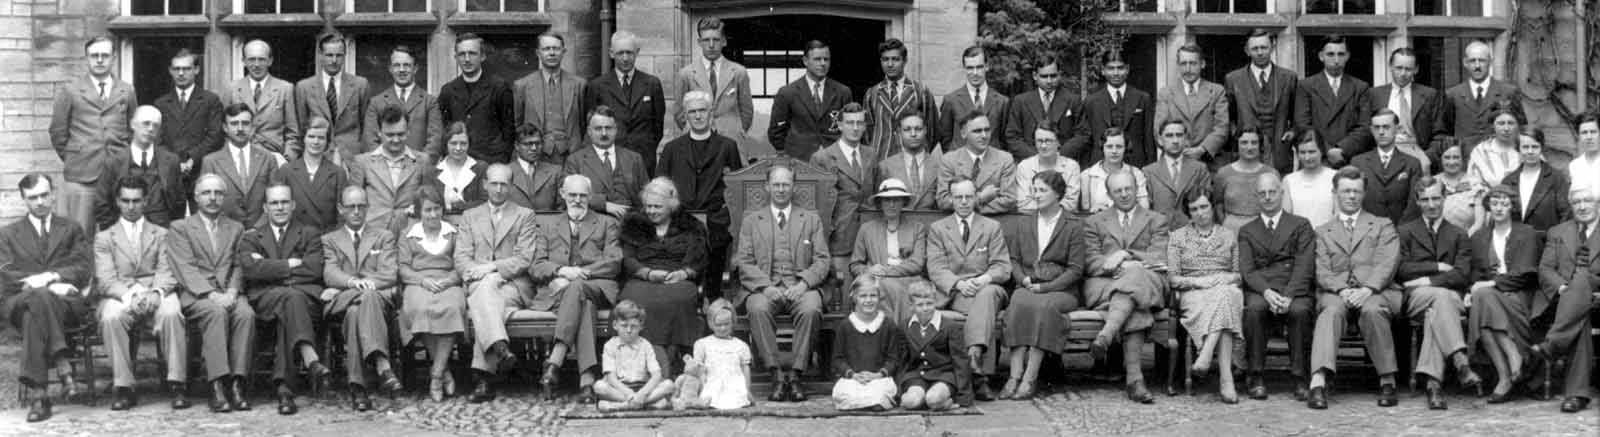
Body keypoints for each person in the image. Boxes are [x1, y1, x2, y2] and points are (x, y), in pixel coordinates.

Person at [732, 165, 830, 402]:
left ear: (793, 187)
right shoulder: (752, 220)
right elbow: (743, 261)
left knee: (811, 308)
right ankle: (776, 374)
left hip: (800, 287)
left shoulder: (810, 219)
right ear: (767, 187)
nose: (781, 189)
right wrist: (766, 286)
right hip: (765, 287)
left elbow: (822, 259)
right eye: (776, 184)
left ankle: (796, 375)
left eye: (785, 184)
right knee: (757, 308)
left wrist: (804, 284)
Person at [1306, 167, 1401, 410]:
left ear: (1364, 193)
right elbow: (1321, 269)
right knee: (1330, 312)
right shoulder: (1322, 231)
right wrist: (1342, 290)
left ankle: (1387, 379)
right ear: (1335, 193)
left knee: (1372, 311)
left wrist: (1367, 289)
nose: (1351, 196)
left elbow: (1386, 262)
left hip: (1375, 292)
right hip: (1337, 293)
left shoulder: (1382, 225)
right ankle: (1318, 380)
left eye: (1356, 191)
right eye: (1346, 191)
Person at [0, 173, 92, 422]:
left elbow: (83, 268)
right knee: (36, 300)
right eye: (32, 198)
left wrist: (53, 278)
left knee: (35, 314)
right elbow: (6, 273)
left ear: (53, 194)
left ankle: (39, 396)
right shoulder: (8, 234)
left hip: (65, 302)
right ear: (23, 199)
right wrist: (40, 285)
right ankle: (63, 366)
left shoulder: (71, 228)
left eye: (43, 195)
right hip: (20, 300)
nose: (39, 202)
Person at [166, 173, 257, 413]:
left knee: (246, 314)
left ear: (224, 197)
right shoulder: (181, 228)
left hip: (229, 291)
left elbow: (238, 264)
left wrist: (232, 291)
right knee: (215, 313)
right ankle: (216, 385)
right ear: (196, 197)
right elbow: (185, 268)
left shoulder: (236, 228)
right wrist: (212, 295)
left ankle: (237, 383)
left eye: (218, 193)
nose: (212, 198)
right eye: (206, 193)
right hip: (197, 295)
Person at [95, 177, 187, 411]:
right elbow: (106, 279)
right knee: (110, 317)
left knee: (172, 312)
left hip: (156, 289)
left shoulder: (162, 234)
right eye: (125, 200)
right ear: (117, 202)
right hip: (121, 294)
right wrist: (130, 297)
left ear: (145, 201)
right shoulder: (105, 237)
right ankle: (124, 386)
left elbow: (167, 269)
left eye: (136, 200)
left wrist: (157, 292)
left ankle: (177, 383)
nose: (131, 206)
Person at [238, 184, 327, 415]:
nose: (280, 207)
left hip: (302, 300)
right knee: (291, 297)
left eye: (284, 202)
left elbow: (314, 269)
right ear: (266, 208)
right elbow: (250, 270)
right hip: (265, 300)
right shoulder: (251, 237)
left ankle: (284, 389)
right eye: (274, 203)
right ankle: (308, 356)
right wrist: (290, 264)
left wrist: (269, 268)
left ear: (293, 205)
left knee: (290, 302)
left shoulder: (310, 233)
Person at [530, 174, 622, 399]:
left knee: (579, 288)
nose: (577, 200)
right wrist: (562, 271)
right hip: (558, 291)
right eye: (572, 195)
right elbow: (536, 266)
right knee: (585, 305)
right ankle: (587, 380)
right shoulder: (548, 225)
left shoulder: (607, 223)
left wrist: (579, 275)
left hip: (597, 285)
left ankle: (555, 361)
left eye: (583, 195)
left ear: (591, 197)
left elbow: (614, 262)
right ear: (562, 194)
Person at [1083, 170, 1170, 404]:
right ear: (1109, 194)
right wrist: (1115, 267)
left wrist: (1126, 256)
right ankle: (1135, 380)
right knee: (1136, 301)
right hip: (1105, 283)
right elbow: (1091, 261)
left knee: (1136, 278)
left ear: (1136, 188)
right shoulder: (1094, 222)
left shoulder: (1156, 220)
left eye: (1128, 189)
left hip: (1148, 281)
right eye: (1118, 190)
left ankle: (1107, 334)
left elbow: (1160, 257)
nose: (1124, 194)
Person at [1395, 182, 1482, 410]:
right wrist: (1438, 266)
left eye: (1436, 198)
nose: (1431, 205)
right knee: (1440, 299)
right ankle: (1460, 360)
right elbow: (1401, 269)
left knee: (1437, 308)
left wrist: (1426, 280)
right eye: (1425, 199)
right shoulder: (1405, 231)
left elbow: (1462, 275)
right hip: (1416, 298)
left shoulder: (1459, 234)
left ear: (1445, 199)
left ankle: (1434, 385)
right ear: (1417, 202)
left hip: (1446, 296)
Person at [457, 164, 538, 403]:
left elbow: (524, 258)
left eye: (504, 184)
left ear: (511, 186)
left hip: (512, 286)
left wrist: (491, 269)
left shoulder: (525, 215)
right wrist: (479, 275)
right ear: (484, 184)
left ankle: (483, 379)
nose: (499, 189)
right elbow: (461, 257)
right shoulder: (470, 216)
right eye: (494, 183)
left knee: (485, 301)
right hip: (478, 283)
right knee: (486, 294)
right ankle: (500, 351)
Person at [926, 178, 1011, 401]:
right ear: (951, 199)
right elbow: (936, 267)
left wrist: (984, 279)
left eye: (968, 196)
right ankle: (979, 375)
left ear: (976, 198)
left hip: (989, 287)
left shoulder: (991, 227)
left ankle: (973, 360)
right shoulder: (938, 229)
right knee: (983, 309)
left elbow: (1003, 266)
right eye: (958, 197)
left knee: (988, 295)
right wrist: (959, 284)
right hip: (957, 292)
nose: (964, 202)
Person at [1001, 171, 1083, 400]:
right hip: (1028, 286)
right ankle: (1014, 376)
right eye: (1034, 190)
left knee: (1043, 307)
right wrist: (1022, 279)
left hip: (1061, 290)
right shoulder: (1024, 222)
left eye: (1042, 190)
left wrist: (1046, 288)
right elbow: (1014, 260)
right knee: (1017, 304)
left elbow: (1076, 270)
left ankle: (1030, 377)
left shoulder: (1073, 225)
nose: (1036, 195)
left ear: (1058, 194)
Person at [320, 186, 401, 411]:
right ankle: (382, 365)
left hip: (373, 301)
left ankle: (358, 387)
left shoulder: (383, 236)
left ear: (367, 208)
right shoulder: (330, 239)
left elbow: (389, 274)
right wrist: (355, 283)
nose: (356, 211)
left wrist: (348, 286)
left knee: (360, 309)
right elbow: (330, 273)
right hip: (344, 303)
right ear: (340, 209)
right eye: (350, 207)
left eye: (361, 206)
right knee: (361, 302)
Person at [1237, 173, 1317, 400]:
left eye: (1272, 192)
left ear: (1281, 193)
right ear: (1256, 197)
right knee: (1254, 310)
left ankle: (1301, 377)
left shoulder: (1300, 225)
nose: (1268, 197)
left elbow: (1304, 263)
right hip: (1263, 289)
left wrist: (1290, 294)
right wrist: (1267, 292)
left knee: (1300, 311)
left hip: (1294, 288)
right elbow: (1248, 269)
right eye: (1262, 193)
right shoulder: (1247, 230)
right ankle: (1256, 376)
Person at [657, 90, 744, 298]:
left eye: (702, 111)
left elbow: (736, 190)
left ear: (711, 113)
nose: (697, 116)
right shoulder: (671, 149)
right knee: (682, 286)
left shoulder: (727, 146)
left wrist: (722, 216)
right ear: (685, 116)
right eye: (692, 112)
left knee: (714, 287)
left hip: (717, 225)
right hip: (680, 225)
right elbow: (659, 190)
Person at [620, 177, 707, 376]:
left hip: (678, 279)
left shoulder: (690, 225)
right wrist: (648, 273)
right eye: (648, 206)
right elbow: (628, 259)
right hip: (643, 278)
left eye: (657, 207)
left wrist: (683, 273)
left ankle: (670, 358)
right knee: (635, 301)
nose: (651, 211)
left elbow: (700, 258)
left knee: (680, 298)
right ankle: (642, 362)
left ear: (671, 205)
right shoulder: (634, 223)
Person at [49, 36, 135, 231]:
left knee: (115, 232)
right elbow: (58, 131)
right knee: (80, 232)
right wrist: (75, 156)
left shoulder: (126, 90)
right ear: (86, 58)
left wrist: (122, 158)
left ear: (113, 57)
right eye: (94, 55)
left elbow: (132, 129)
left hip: (117, 172)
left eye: (104, 55)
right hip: (82, 173)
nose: (99, 60)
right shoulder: (71, 90)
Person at [1167, 188, 1244, 404]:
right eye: (1194, 209)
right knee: (1226, 299)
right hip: (1194, 292)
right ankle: (1226, 378)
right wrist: (1199, 282)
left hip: (1224, 287)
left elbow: (1238, 274)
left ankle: (1206, 354)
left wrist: (1223, 279)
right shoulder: (1178, 237)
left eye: (1204, 207)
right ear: (1188, 213)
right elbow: (1173, 278)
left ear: (1212, 208)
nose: (1200, 213)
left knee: (1226, 293)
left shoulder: (1228, 235)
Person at [1466, 185, 1541, 403]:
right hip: (1489, 298)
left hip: (1520, 296)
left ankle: (1505, 376)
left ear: (1512, 207)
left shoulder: (1526, 233)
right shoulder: (1479, 237)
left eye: (1504, 203)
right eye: (1495, 203)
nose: (1499, 208)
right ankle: (1510, 364)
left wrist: (1488, 284)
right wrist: (1473, 288)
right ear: (1488, 206)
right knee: (1482, 299)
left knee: (1483, 301)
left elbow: (1527, 273)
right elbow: (1474, 274)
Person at [397, 186, 466, 402]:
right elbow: (403, 268)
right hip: (419, 282)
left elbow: (462, 263)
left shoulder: (454, 233)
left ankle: (435, 374)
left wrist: (450, 280)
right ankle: (443, 372)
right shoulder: (408, 235)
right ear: (419, 212)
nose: (433, 214)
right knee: (420, 308)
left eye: (437, 209)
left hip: (448, 281)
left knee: (451, 307)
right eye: (427, 210)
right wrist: (422, 281)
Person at [1532, 187, 1598, 413]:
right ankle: (1576, 395)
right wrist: (1563, 289)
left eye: (1587, 200)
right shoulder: (1557, 231)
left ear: (1597, 204)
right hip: (1566, 301)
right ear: (1571, 206)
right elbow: (1545, 269)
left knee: (1582, 279)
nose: (1582, 206)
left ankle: (1552, 344)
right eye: (1577, 202)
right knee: (1580, 318)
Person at [813, 103, 879, 289]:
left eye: (860, 123)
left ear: (865, 126)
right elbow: (818, 205)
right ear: (840, 125)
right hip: (839, 238)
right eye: (850, 123)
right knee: (843, 293)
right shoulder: (823, 157)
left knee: (869, 292)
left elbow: (874, 194)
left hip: (869, 236)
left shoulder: (871, 155)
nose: (855, 128)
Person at [582, 31, 666, 175]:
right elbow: (588, 125)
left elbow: (657, 126)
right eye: (620, 53)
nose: (625, 58)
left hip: (643, 160)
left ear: (637, 52)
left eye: (629, 52)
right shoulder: (597, 86)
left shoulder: (652, 84)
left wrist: (645, 146)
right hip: (610, 159)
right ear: (611, 53)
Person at [674, 19, 757, 159]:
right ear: (699, 42)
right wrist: (692, 128)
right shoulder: (686, 74)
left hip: (731, 140)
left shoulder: (738, 72)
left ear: (724, 41)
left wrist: (736, 129)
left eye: (716, 40)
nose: (711, 45)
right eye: (706, 40)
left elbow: (747, 111)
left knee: (731, 178)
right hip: (696, 139)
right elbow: (679, 112)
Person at [849, 178, 928, 323]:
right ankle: (895, 334)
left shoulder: (917, 228)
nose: (891, 205)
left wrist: (886, 272)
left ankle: (892, 334)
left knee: (886, 286)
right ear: (880, 203)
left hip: (908, 280)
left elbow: (917, 264)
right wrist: (869, 270)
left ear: (904, 202)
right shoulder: (867, 229)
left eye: (896, 200)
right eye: (887, 200)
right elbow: (855, 265)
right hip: (876, 279)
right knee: (876, 287)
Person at [98, 106, 185, 229]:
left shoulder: (171, 161)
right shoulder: (114, 161)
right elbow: (102, 203)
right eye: (146, 123)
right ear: (133, 124)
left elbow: (179, 201)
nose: (150, 129)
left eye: (155, 125)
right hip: (124, 231)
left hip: (161, 230)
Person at [1226, 29, 1300, 173]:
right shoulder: (1233, 79)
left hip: (1280, 151)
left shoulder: (1289, 78)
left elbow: (1297, 113)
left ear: (1272, 47)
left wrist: (1293, 131)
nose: (1260, 52)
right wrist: (1238, 135)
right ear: (1247, 51)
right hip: (1247, 151)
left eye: (1264, 47)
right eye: (1255, 48)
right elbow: (1229, 117)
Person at [350, 106, 429, 236]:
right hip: (373, 235)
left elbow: (428, 199)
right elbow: (354, 205)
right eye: (390, 135)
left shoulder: (422, 161)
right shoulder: (362, 162)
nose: (396, 140)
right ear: (379, 133)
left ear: (408, 131)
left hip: (410, 234)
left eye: (401, 134)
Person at [155, 48, 224, 197]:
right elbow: (157, 140)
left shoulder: (210, 100)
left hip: (201, 171)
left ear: (196, 70)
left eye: (186, 69)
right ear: (170, 71)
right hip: (170, 174)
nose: (181, 73)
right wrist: (175, 163)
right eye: (176, 69)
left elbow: (215, 136)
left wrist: (193, 158)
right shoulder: (160, 104)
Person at [1295, 35, 1372, 168]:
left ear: (1347, 56)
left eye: (1340, 54)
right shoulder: (1306, 86)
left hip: (1349, 158)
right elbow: (1303, 124)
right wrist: (1327, 150)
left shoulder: (1360, 87)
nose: (1336, 60)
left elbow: (1365, 126)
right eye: (1330, 54)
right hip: (1316, 157)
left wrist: (1341, 149)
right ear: (1321, 56)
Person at [767, 40, 852, 160]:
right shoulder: (787, 93)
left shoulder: (843, 92)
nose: (823, 63)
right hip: (799, 161)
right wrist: (793, 153)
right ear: (805, 61)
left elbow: (850, 128)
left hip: (835, 160)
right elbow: (776, 133)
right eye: (817, 59)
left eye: (826, 59)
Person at [439, 33, 516, 164]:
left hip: (491, 161)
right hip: (459, 162)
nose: (467, 59)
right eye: (462, 54)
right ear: (455, 58)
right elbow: (445, 129)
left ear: (482, 56)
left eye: (472, 53)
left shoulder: (499, 87)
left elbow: (508, 130)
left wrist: (501, 159)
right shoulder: (448, 90)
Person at [830, 276, 903, 411]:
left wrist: (878, 375)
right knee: (844, 393)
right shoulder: (845, 325)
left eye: (873, 296)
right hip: (854, 380)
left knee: (881, 393)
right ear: (854, 298)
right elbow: (837, 359)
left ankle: (867, 403)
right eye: (863, 296)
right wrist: (852, 374)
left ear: (879, 297)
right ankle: (868, 403)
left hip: (879, 379)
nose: (868, 300)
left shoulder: (888, 325)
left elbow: (893, 359)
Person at [1154, 43, 1232, 170]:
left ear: (1202, 64)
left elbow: (1222, 127)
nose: (1188, 69)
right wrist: (1179, 150)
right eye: (1183, 64)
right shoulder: (1166, 94)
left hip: (1210, 163)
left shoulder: (1216, 91)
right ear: (1178, 65)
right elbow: (1158, 131)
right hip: (1175, 163)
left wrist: (1202, 149)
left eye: (1193, 63)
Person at [203, 103, 283, 226]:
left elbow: (276, 199)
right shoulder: (211, 162)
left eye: (245, 123)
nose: (240, 128)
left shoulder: (268, 158)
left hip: (261, 234)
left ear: (253, 127)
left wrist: (257, 229)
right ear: (225, 127)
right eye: (234, 124)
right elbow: (207, 203)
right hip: (225, 233)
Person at [897, 281, 973, 410]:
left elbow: (960, 361)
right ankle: (924, 400)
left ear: (935, 302)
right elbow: (902, 360)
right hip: (917, 376)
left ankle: (944, 401)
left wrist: (963, 396)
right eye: (920, 305)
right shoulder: (905, 326)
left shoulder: (950, 326)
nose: (925, 308)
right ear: (911, 306)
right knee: (910, 402)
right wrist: (899, 389)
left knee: (933, 399)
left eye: (929, 303)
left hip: (943, 375)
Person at [1367, 47, 1447, 169]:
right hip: (1382, 159)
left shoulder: (1429, 95)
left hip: (1419, 158)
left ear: (1416, 69)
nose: (1403, 73)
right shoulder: (1374, 95)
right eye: (1399, 68)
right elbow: (1366, 131)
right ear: (1390, 67)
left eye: (1408, 69)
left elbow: (1440, 134)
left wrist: (1427, 157)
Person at [515, 32, 588, 162]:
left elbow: (584, 124)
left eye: (556, 48)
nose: (552, 53)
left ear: (563, 51)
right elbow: (517, 124)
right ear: (538, 53)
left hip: (571, 155)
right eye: (546, 49)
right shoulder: (523, 85)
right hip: (536, 155)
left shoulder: (579, 85)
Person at [294, 33, 369, 159]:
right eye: (329, 55)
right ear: (320, 56)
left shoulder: (360, 85)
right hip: (318, 154)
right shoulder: (304, 87)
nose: (334, 60)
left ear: (345, 56)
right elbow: (302, 126)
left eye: (339, 55)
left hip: (351, 156)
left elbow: (365, 125)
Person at [566, 106, 649, 218]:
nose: (604, 133)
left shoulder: (634, 158)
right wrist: (604, 205)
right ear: (589, 131)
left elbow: (647, 195)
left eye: (608, 128)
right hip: (592, 224)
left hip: (631, 223)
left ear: (616, 130)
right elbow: (568, 195)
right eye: (598, 129)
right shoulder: (575, 161)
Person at [594, 300, 677, 411]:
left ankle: (622, 406)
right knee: (599, 387)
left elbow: (656, 374)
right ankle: (646, 405)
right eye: (624, 326)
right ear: (615, 325)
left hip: (643, 388)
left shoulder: (645, 345)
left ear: (640, 327)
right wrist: (630, 394)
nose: (628, 330)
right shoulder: (610, 345)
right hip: (620, 389)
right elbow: (611, 378)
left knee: (669, 385)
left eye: (633, 326)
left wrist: (642, 394)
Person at [866, 38, 940, 160]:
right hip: (881, 161)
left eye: (895, 59)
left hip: (912, 161)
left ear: (905, 61)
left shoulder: (921, 92)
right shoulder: (872, 93)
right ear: (881, 61)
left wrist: (919, 151)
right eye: (885, 59)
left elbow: (933, 131)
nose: (890, 64)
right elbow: (867, 133)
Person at [224, 39, 300, 159]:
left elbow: (293, 132)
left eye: (261, 59)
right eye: (252, 59)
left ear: (270, 61)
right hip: (240, 156)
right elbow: (225, 129)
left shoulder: (285, 88)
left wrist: (287, 158)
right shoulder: (232, 88)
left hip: (275, 156)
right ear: (243, 61)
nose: (257, 65)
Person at [272, 117, 350, 233]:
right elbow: (277, 208)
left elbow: (343, 214)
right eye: (311, 136)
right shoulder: (287, 171)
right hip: (295, 240)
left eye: (321, 138)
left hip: (326, 239)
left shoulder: (337, 173)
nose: (316, 142)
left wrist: (334, 242)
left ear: (327, 142)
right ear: (303, 139)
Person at [364, 45, 442, 160]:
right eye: (397, 65)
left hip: (418, 170)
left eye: (406, 65)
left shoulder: (430, 102)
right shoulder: (376, 103)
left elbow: (435, 140)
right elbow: (370, 141)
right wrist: (385, 166)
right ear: (390, 69)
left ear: (415, 68)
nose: (401, 70)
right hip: (384, 172)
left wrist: (418, 165)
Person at [1445, 40, 1522, 156]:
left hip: (1499, 158)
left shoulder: (1508, 92)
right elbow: (1448, 129)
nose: (1477, 66)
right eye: (1472, 61)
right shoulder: (1453, 94)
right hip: (1467, 159)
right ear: (1465, 63)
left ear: (1490, 62)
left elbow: (1521, 127)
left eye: (1481, 60)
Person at [1004, 53, 1085, 161]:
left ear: (1059, 75)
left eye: (1053, 76)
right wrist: (1035, 158)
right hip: (1030, 164)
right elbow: (1012, 136)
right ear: (1034, 76)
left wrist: (1059, 155)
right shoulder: (1020, 101)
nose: (1049, 81)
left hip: (1064, 163)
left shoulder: (1073, 100)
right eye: (1044, 76)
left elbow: (1082, 134)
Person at [1081, 53, 1156, 166]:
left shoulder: (1142, 98)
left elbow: (1149, 139)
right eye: (1110, 68)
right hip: (1101, 164)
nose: (1116, 73)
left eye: (1120, 68)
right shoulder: (1091, 101)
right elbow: (1087, 140)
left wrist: (1151, 168)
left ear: (1127, 69)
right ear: (1103, 70)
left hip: (1135, 164)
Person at [1350, 109, 1423, 224]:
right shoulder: (1358, 163)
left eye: (1386, 127)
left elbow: (1413, 204)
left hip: (1401, 231)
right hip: (1367, 232)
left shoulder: (1412, 164)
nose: (1381, 132)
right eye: (1376, 127)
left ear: (1397, 129)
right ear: (1371, 130)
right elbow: (1353, 199)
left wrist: (1400, 231)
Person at [936, 113, 1017, 214]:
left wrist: (966, 206)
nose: (984, 135)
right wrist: (981, 198)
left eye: (987, 130)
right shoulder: (949, 160)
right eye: (977, 131)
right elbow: (943, 201)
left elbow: (1009, 200)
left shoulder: (1004, 159)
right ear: (963, 134)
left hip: (994, 223)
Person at [1500, 127, 1570, 233]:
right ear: (1518, 149)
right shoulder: (1508, 181)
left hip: (1547, 243)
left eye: (1535, 147)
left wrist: (1557, 242)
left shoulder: (1556, 178)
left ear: (1542, 148)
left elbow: (1566, 215)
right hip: (1517, 243)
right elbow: (1502, 216)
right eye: (1525, 147)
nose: (1530, 151)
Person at [941, 46, 1009, 155]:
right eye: (970, 68)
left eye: (979, 67)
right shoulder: (951, 100)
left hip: (992, 164)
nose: (975, 72)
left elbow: (1004, 139)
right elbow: (945, 138)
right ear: (964, 68)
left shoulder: (1002, 102)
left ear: (987, 67)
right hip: (961, 165)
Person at [1145, 120, 1212, 226]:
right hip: (1161, 233)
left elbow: (1205, 204)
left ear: (1185, 139)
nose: (1175, 140)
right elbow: (1146, 210)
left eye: (1179, 135)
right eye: (1169, 136)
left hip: (1192, 232)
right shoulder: (1148, 172)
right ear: (1160, 140)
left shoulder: (1200, 169)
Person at [686, 302, 753, 410]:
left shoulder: (740, 345)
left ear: (733, 323)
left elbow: (745, 368)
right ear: (711, 324)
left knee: (738, 398)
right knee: (710, 397)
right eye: (718, 325)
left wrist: (747, 389)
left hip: (734, 383)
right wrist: (701, 386)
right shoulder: (703, 343)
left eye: (726, 324)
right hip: (711, 382)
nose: (723, 328)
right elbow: (699, 368)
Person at [1214, 128, 1279, 229]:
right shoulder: (1223, 174)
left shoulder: (1271, 174)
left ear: (1260, 146)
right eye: (1244, 142)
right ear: (1237, 145)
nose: (1249, 147)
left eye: (1254, 142)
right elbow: (1218, 204)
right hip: (1232, 230)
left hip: (1263, 229)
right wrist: (1225, 225)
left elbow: (1277, 207)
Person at [877, 112, 941, 210]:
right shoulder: (885, 167)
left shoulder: (941, 165)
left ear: (925, 130)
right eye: (907, 129)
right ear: (899, 132)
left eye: (918, 129)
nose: (913, 134)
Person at [1079, 129, 1150, 214]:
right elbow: (1084, 209)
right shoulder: (1087, 175)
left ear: (1126, 148)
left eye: (1119, 146)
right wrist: (1092, 209)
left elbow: (1144, 206)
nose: (1114, 151)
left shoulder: (1135, 173)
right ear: (1102, 148)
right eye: (1109, 146)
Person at [1015, 126, 1081, 214]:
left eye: (1048, 141)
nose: (1043, 146)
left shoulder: (1071, 166)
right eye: (1039, 141)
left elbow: (1071, 204)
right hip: (1032, 220)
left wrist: (1041, 205)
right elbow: (1023, 205)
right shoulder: (1024, 166)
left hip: (1063, 220)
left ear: (1058, 142)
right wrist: (1053, 206)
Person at [430, 122, 488, 215]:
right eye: (453, 143)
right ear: (446, 144)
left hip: (474, 222)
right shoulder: (434, 171)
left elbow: (485, 201)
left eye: (463, 143)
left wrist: (457, 207)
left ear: (469, 144)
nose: (458, 148)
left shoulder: (480, 168)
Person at [1281, 130, 1337, 226]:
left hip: (1327, 238)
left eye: (1312, 152)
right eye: (1302, 152)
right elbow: (1285, 220)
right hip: (1298, 238)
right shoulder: (1289, 181)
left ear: (1321, 151)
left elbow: (1338, 216)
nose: (1307, 157)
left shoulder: (1335, 178)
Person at [1467, 101, 1525, 189]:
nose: (1506, 128)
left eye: (1511, 123)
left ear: (1517, 125)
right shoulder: (1481, 151)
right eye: (1501, 123)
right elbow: (1473, 183)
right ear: (1493, 126)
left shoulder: (1528, 147)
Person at [505, 123, 563, 211]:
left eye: (538, 143)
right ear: (517, 146)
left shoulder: (556, 172)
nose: (534, 148)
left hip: (549, 223)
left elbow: (561, 208)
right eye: (528, 144)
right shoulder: (504, 173)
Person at [1435, 144, 1487, 234]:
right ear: (1440, 159)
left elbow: (1479, 222)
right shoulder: (1433, 183)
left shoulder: (1475, 183)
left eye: (1456, 157)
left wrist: (1464, 241)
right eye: (1447, 157)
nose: (1451, 162)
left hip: (1468, 239)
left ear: (1463, 159)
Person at [1567, 113, 1600, 195]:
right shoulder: (1574, 166)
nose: (1589, 137)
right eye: (1584, 133)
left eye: (1593, 132)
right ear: (1578, 136)